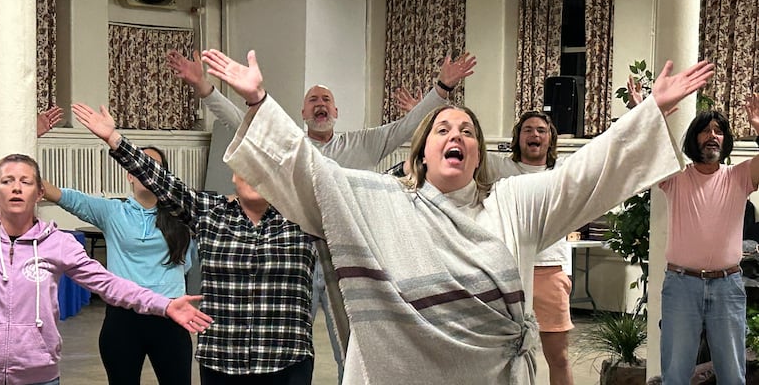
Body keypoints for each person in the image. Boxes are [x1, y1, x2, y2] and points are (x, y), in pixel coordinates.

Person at [206, 48, 713, 383]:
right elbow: (308, 171)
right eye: (443, 129)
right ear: (422, 151)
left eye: (467, 131)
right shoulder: (380, 199)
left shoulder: (513, 201)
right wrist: (257, 101)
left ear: (477, 153)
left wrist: (651, 114)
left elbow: (582, 175)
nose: (456, 136)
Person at [168, 48, 476, 382]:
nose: (320, 104)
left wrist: (442, 88)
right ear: (302, 112)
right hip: (293, 256)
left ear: (336, 111)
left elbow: (406, 127)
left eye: (326, 100)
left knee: (355, 343)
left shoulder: (362, 144)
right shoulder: (289, 146)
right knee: (291, 345)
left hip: (343, 257)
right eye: (313, 99)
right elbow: (240, 120)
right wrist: (204, 88)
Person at [71, 102, 317, 385]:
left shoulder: (303, 219)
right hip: (223, 362)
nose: (254, 173)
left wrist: (258, 98)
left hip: (286, 362)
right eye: (246, 165)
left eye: (262, 165)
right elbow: (162, 182)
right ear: (234, 175)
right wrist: (115, 140)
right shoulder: (209, 213)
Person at [0, 153, 211, 385]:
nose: (16, 188)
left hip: (38, 374)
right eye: (7, 181)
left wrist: (165, 305)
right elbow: (70, 199)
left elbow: (107, 282)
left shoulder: (57, 243)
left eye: (25, 181)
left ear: (40, 192)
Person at [42, 146, 195, 384]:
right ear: (129, 174)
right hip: (124, 318)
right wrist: (33, 134)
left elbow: (188, 262)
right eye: (140, 165)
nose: (146, 171)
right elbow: (58, 194)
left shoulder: (183, 214)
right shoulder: (112, 212)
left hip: (171, 315)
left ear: (163, 176)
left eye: (153, 166)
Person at [656, 100, 759, 384]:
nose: (712, 135)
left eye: (719, 131)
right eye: (705, 130)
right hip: (681, 285)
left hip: (728, 286)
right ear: (694, 138)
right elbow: (652, 154)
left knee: (732, 375)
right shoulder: (676, 177)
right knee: (675, 374)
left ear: (725, 140)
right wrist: (650, 116)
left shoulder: (740, 176)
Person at [487, 111, 573, 385]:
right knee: (501, 355)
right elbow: (467, 145)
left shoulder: (563, 170)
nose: (534, 135)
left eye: (541, 130)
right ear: (518, 137)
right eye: (527, 130)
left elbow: (608, 152)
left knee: (558, 357)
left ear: (550, 139)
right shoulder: (500, 169)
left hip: (550, 271)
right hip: (507, 273)